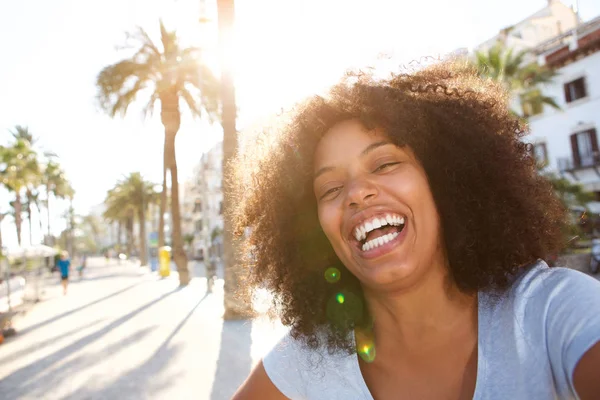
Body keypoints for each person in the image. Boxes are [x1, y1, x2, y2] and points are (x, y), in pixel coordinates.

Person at [231, 60, 600, 399]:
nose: (357, 193)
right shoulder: (302, 365)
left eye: (385, 163)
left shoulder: (551, 310)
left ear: (445, 182)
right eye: (330, 189)